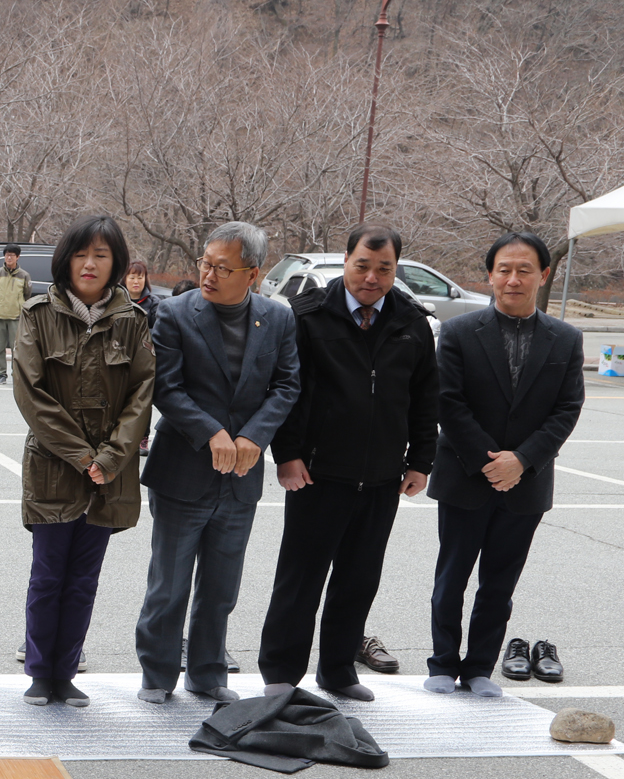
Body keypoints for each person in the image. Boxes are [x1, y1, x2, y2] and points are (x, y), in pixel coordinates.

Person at [257, 225, 436, 702]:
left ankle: (337, 670)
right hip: (317, 473)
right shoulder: (308, 316)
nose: (372, 277)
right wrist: (288, 455)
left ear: (396, 268)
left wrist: (421, 460)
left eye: (384, 268)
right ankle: (280, 673)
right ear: (346, 260)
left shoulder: (412, 322)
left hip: (381, 477)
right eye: (363, 265)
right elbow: (287, 391)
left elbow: (424, 398)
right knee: (300, 578)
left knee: (358, 579)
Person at [134, 221, 299, 703]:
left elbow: (288, 385)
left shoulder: (278, 318)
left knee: (221, 586)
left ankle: (207, 674)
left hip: (242, 475)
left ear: (253, 274)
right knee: (169, 583)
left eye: (223, 268)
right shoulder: (175, 313)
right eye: (206, 264)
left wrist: (253, 436)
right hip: (182, 469)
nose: (209, 274)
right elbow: (166, 386)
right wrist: (213, 432)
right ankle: (158, 674)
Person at [424, 231, 585, 697]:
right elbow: (448, 404)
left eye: (524, 270)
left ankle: (479, 669)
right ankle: (441, 663)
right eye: (504, 270)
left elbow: (567, 408)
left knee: (499, 583)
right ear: (490, 275)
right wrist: (488, 461)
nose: (513, 280)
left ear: (543, 275)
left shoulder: (565, 338)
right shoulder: (457, 331)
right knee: (450, 578)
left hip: (527, 482)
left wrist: (523, 460)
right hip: (464, 476)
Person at [12, 215, 154, 708]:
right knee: (48, 576)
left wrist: (111, 458)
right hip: (54, 467)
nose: (90, 264)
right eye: (80, 254)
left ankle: (66, 672)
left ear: (115, 263)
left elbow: (141, 393)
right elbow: (31, 395)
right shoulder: (37, 314)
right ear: (65, 260)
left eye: (101, 255)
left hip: (109, 475)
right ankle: (38, 671)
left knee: (84, 580)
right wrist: (81, 455)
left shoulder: (132, 320)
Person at [0, 245, 31, 385]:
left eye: (12, 255)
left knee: (16, 348)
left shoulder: (24, 275)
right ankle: (1, 374)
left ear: (18, 257)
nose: (9, 257)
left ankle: (16, 374)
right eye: (7, 255)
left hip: (16, 316)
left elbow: (27, 293)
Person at [125, 259, 159, 324]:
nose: (136, 282)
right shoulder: (116, 301)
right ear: (125, 280)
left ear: (145, 280)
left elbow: (158, 329)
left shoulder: (154, 303)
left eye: (140, 278)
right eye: (132, 278)